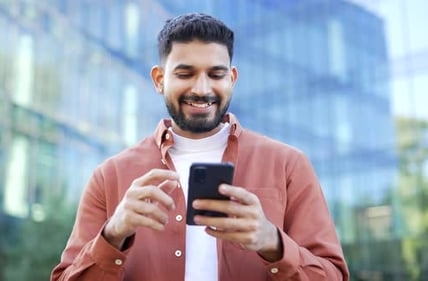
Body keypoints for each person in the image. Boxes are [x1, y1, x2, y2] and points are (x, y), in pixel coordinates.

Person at [51, 12, 349, 281]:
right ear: (159, 79)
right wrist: (113, 234)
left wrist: (273, 242)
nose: (202, 89)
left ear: (231, 79)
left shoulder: (288, 165)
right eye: (185, 74)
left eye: (216, 74)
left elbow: (333, 276)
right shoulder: (109, 176)